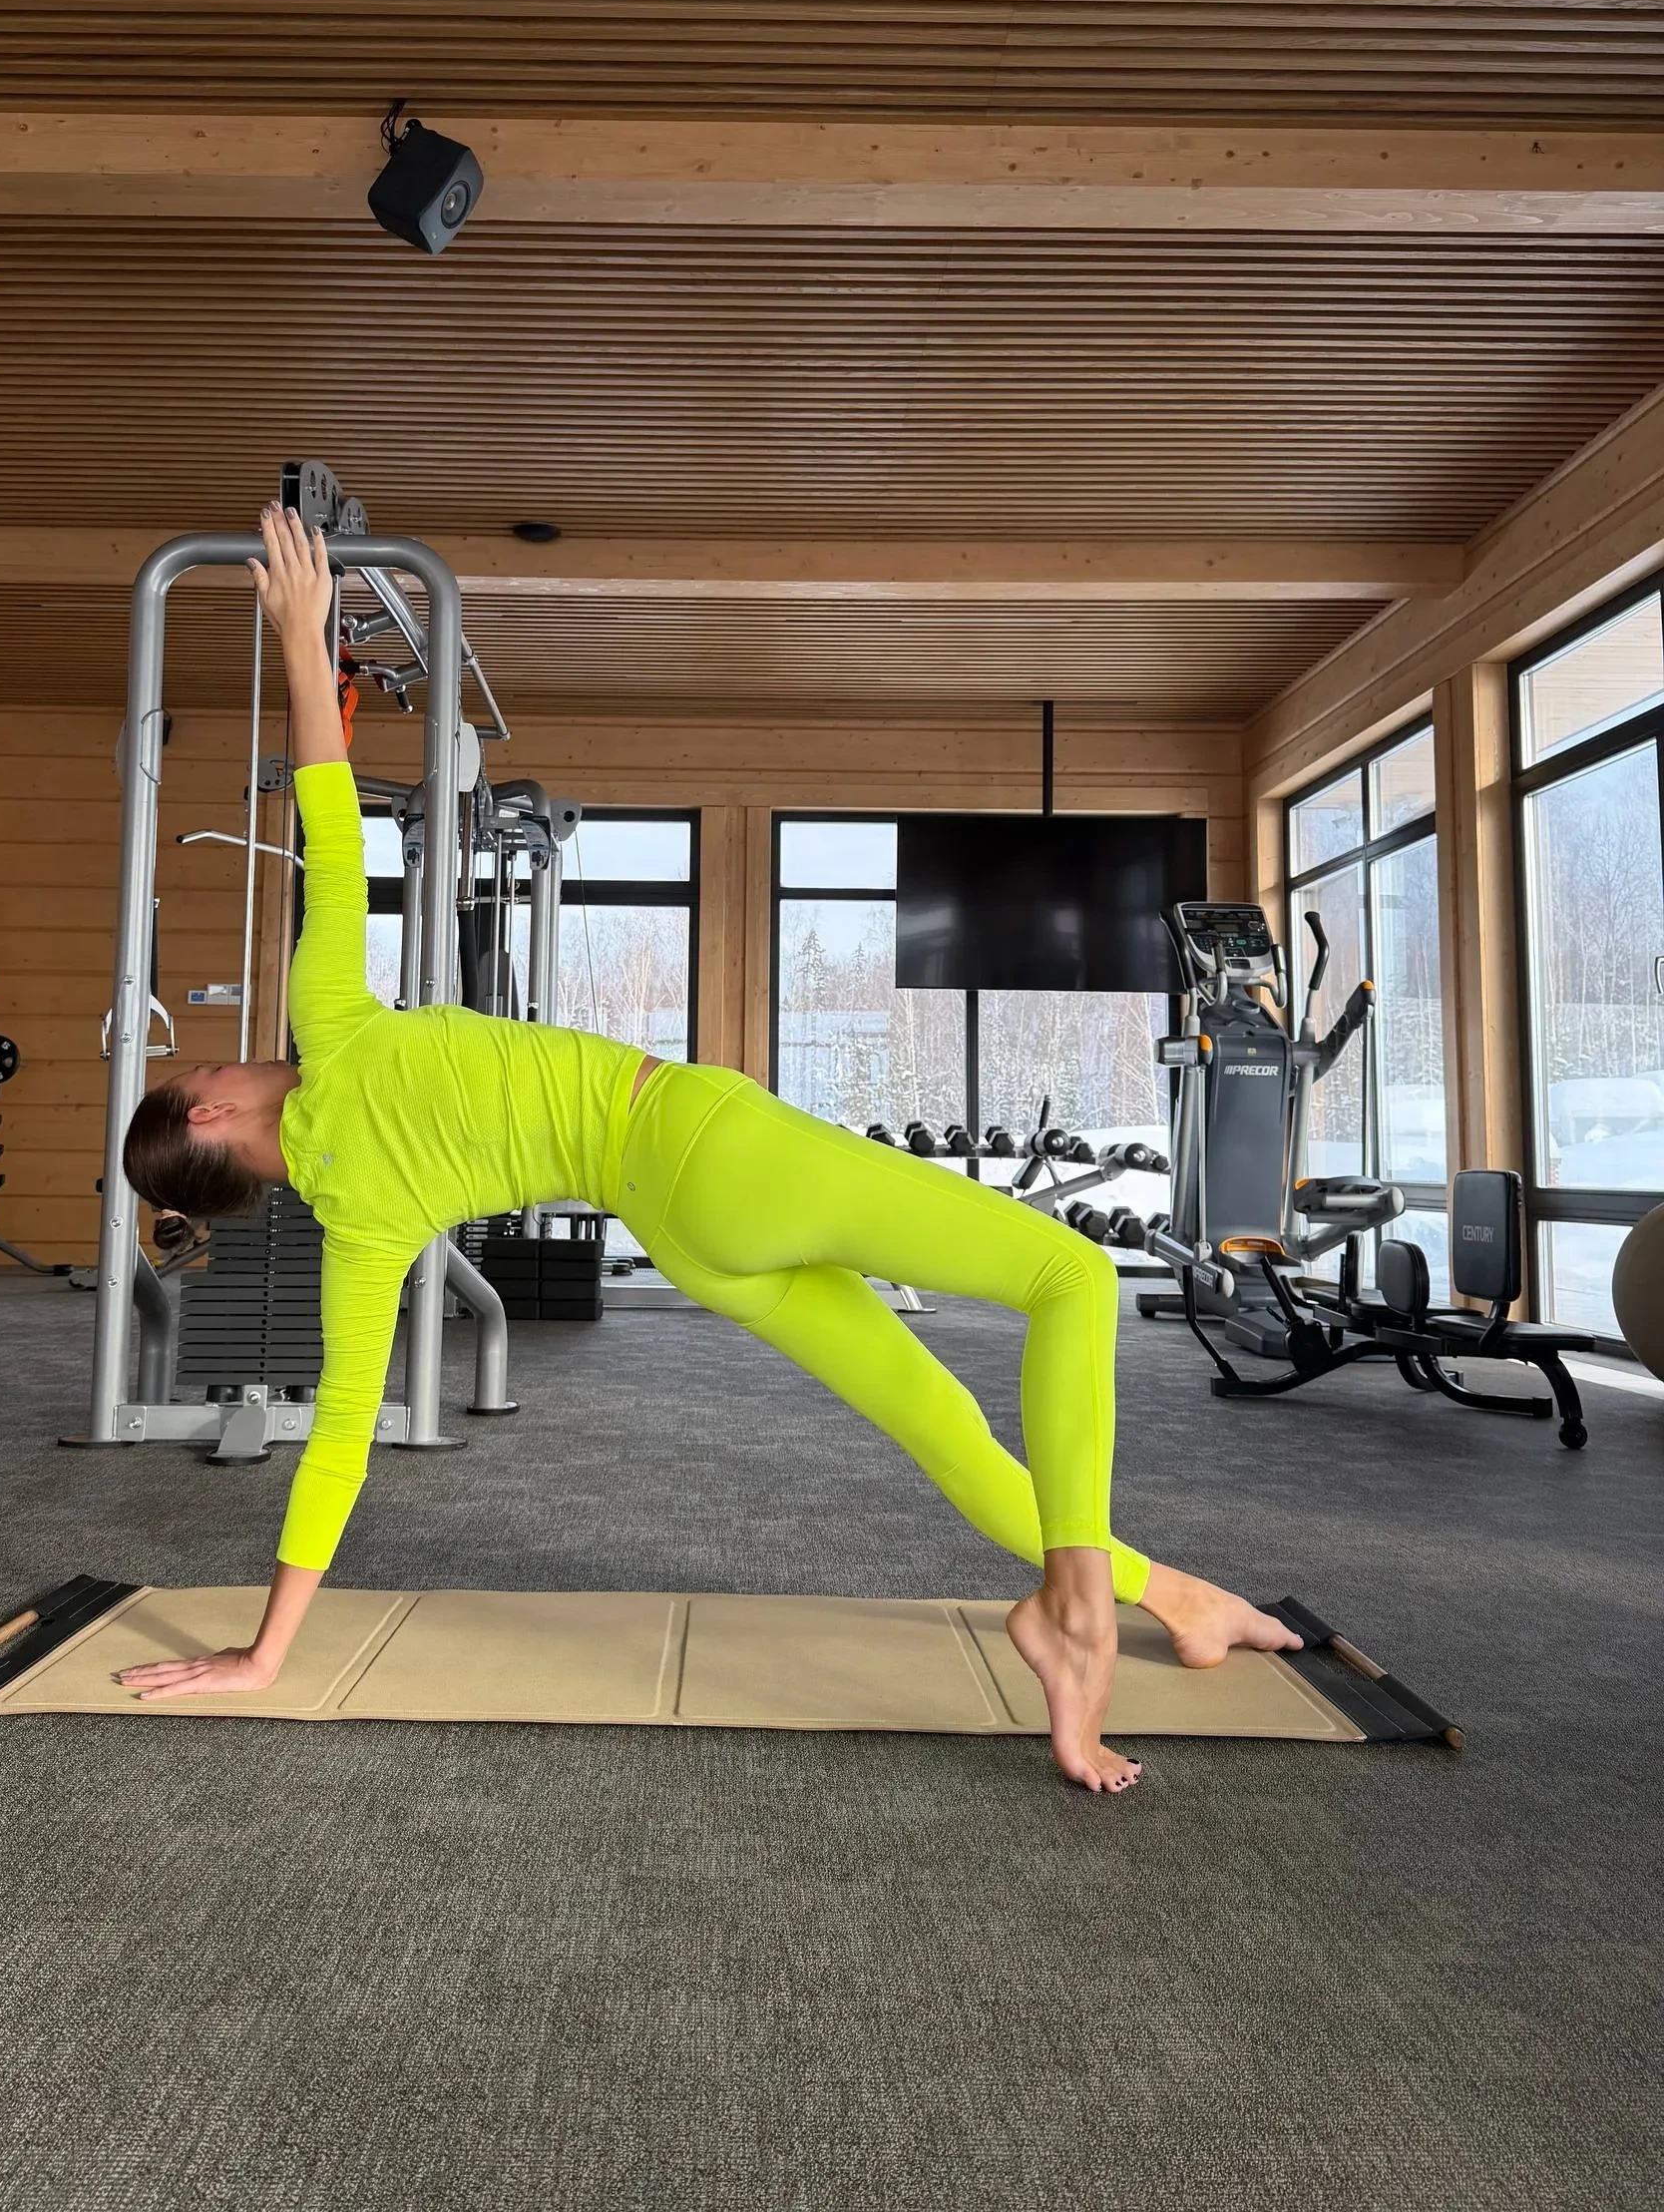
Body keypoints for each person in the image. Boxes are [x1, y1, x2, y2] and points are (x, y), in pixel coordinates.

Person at [118, 505, 1299, 1792]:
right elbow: (332, 828)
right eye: (200, 1072)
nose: (221, 1058)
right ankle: (1075, 1617)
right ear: (208, 1117)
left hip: (687, 1237)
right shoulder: (334, 1030)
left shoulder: (358, 1229)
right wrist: (300, 637)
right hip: (700, 1145)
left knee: (948, 1427)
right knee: (1070, 1277)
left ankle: (1180, 1598)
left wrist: (267, 1654)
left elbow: (342, 1434)